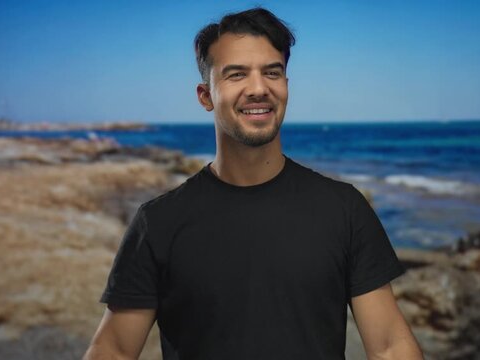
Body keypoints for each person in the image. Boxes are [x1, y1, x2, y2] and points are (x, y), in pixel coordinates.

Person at [84, 7, 423, 360]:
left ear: (286, 86)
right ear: (205, 96)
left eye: (272, 72)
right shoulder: (158, 223)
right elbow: (114, 350)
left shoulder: (344, 209)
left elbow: (390, 347)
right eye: (236, 75)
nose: (259, 88)